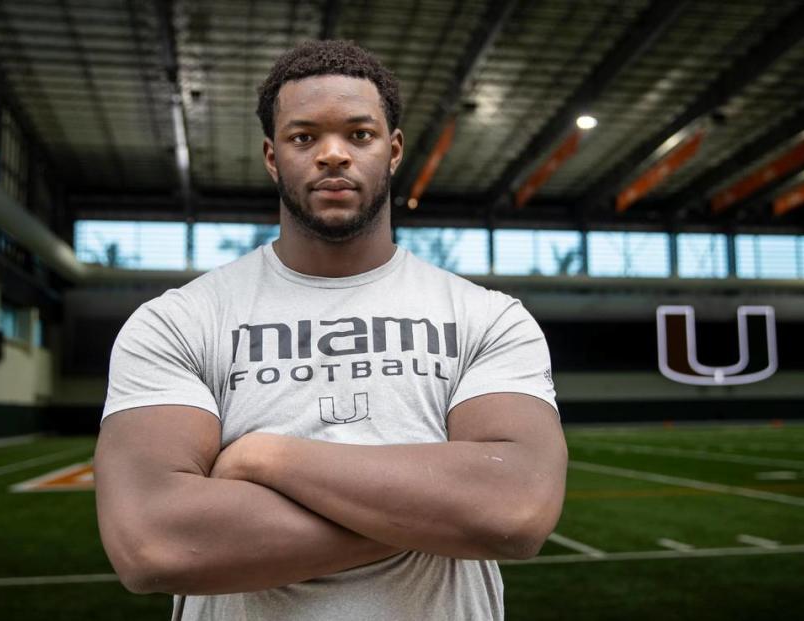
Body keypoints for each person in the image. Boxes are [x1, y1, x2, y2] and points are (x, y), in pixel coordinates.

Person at [94, 40, 568, 621]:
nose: (333, 155)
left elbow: (514, 509)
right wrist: (437, 514)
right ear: (273, 157)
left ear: (393, 151)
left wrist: (265, 457)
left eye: (359, 135)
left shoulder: (487, 317)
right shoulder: (177, 322)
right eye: (304, 137)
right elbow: (155, 543)